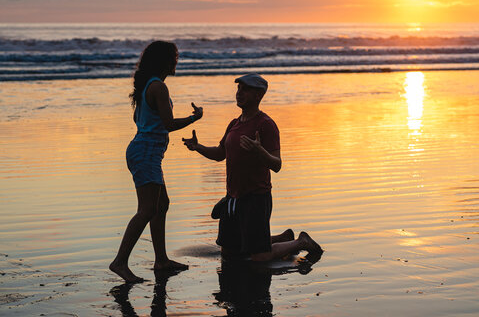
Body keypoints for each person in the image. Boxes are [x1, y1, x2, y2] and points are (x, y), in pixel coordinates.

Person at [183, 73, 322, 262]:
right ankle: (280, 239)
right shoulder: (234, 124)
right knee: (229, 253)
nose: (239, 93)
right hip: (232, 198)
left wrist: (259, 151)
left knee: (259, 257)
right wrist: (197, 147)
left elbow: (277, 164)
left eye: (245, 89)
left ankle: (300, 242)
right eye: (238, 89)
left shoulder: (266, 125)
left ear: (258, 95)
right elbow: (220, 154)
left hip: (256, 197)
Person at [110, 41, 203, 283]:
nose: (177, 60)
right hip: (145, 153)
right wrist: (194, 118)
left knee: (161, 205)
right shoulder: (158, 88)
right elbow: (168, 124)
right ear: (163, 61)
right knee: (148, 208)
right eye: (174, 56)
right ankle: (119, 262)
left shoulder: (147, 86)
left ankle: (161, 260)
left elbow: (140, 120)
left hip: (145, 151)